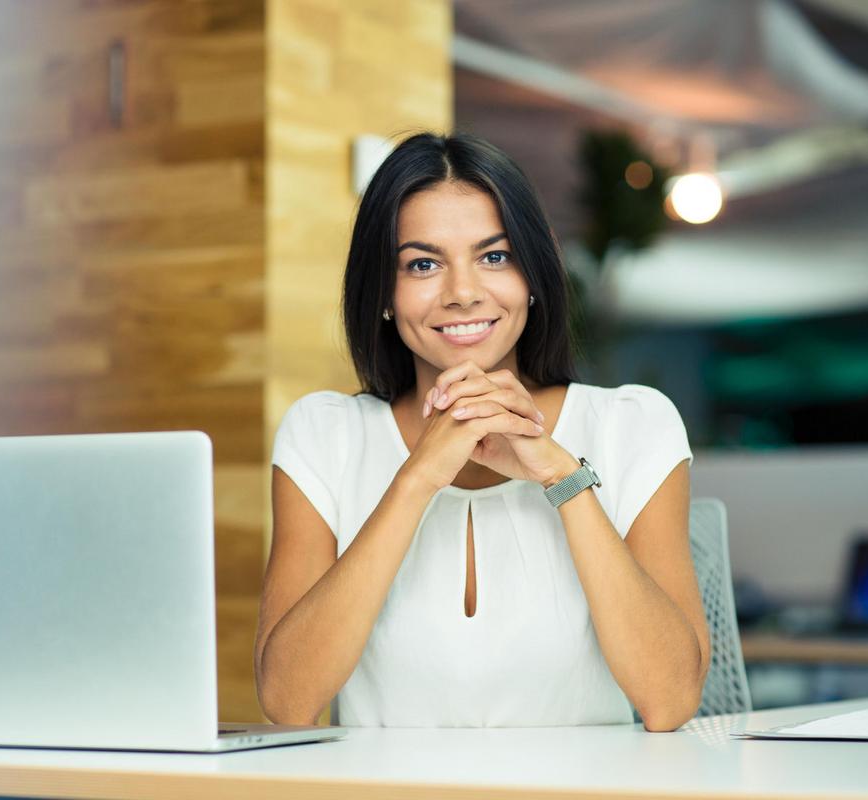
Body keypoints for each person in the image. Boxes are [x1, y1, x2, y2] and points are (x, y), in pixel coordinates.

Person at [254, 132, 709, 731]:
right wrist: (417, 477)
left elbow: (670, 700)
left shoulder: (633, 425)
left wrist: (560, 473)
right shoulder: (323, 436)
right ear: (384, 294)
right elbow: (288, 700)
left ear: (533, 277)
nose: (464, 293)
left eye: (494, 256)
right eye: (423, 263)